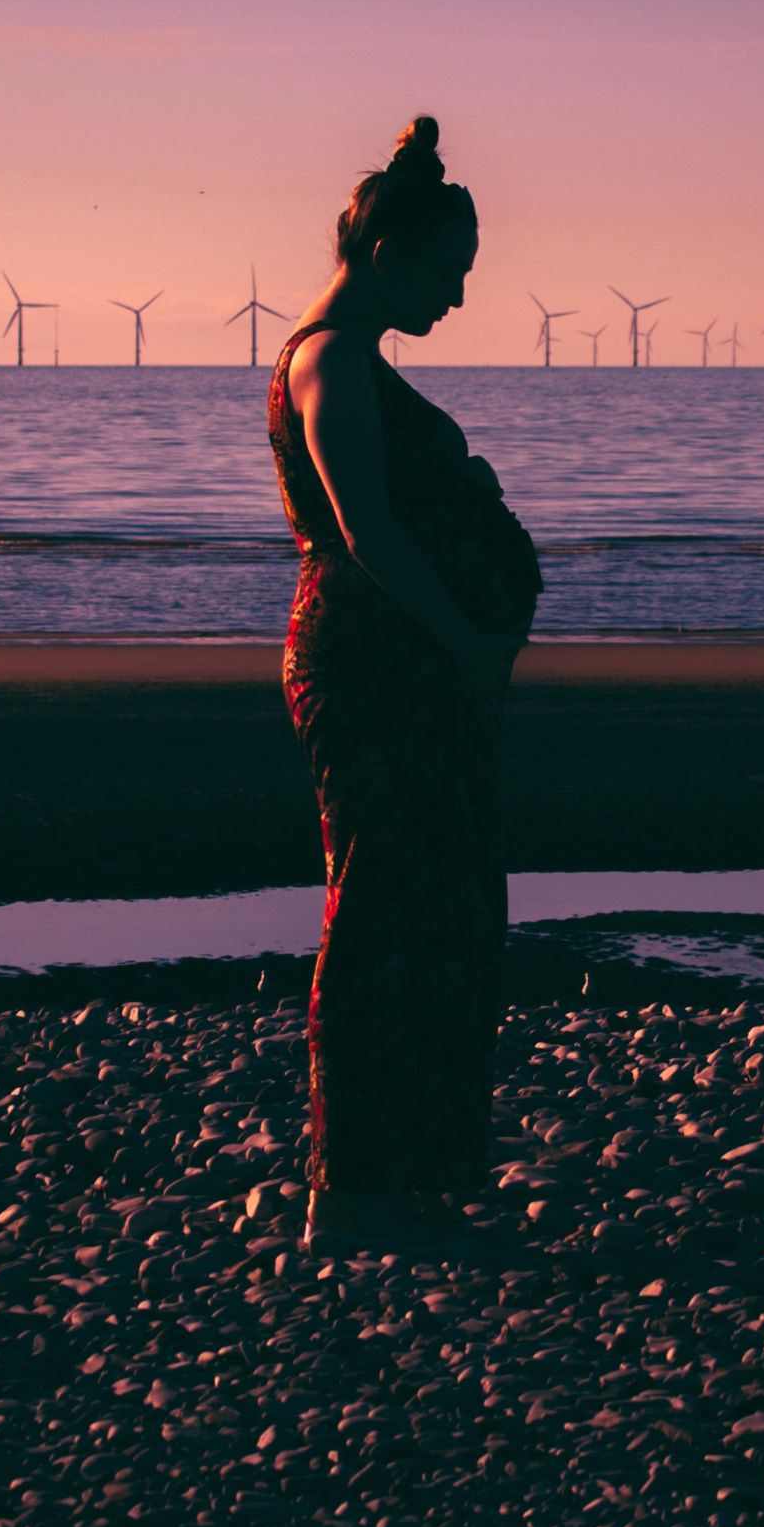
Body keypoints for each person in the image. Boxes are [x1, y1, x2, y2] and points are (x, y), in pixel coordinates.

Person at [268, 115, 542, 1249]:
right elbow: (364, 527)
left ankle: (416, 1178)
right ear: (389, 255)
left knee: (445, 907)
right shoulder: (329, 360)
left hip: (415, 668)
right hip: (377, 670)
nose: (460, 298)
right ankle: (355, 1190)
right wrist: (468, 642)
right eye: (450, 270)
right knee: (386, 911)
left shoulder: (359, 362)